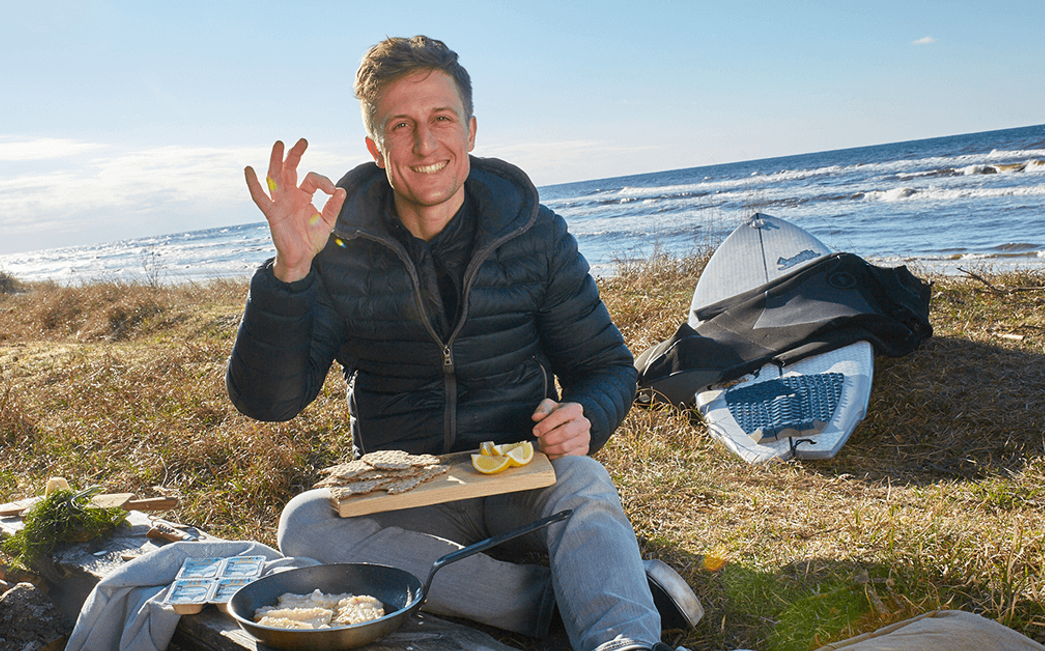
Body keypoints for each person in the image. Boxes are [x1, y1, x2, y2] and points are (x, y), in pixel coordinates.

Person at [226, 35, 700, 651]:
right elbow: (268, 401)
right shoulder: (334, 251)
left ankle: (625, 641)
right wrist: (290, 273)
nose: (426, 144)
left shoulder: (534, 233)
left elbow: (606, 366)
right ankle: (549, 604)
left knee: (583, 480)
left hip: (522, 483)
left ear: (471, 131)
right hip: (410, 500)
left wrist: (585, 415)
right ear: (375, 145)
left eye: (441, 119)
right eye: (402, 125)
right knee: (306, 524)